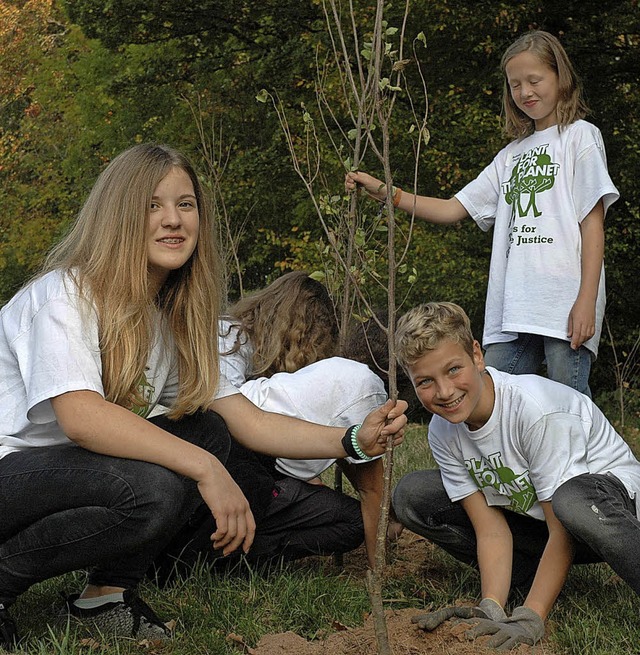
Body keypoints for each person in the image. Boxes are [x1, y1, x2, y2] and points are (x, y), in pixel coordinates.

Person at [0, 143, 407, 650]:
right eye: (152, 204)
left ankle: (104, 598)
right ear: (118, 214)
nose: (173, 220)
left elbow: (248, 422)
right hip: (12, 472)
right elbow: (82, 417)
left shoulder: (167, 320)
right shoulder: (67, 294)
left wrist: (352, 439)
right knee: (157, 484)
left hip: (71, 474)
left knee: (205, 429)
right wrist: (207, 469)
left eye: (185, 204)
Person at [345, 30, 619, 397]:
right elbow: (452, 209)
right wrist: (384, 191)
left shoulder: (580, 137)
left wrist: (586, 299)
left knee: (567, 407)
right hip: (512, 308)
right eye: (515, 84)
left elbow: (592, 223)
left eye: (534, 80)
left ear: (560, 78)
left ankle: (588, 457)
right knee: (493, 400)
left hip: (564, 303)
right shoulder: (509, 156)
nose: (525, 92)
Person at [391, 301, 640, 649]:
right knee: (413, 495)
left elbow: (563, 527)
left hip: (610, 516)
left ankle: (535, 600)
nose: (445, 392)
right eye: (426, 382)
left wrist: (531, 617)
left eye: (453, 370)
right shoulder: (442, 432)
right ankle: (523, 584)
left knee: (572, 502)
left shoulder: (535, 410)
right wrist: (490, 605)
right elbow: (491, 528)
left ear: (477, 356)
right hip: (544, 520)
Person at [217, 272, 388, 568]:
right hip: (225, 459)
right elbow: (229, 418)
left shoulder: (250, 350)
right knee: (349, 521)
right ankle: (244, 555)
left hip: (250, 461)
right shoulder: (228, 338)